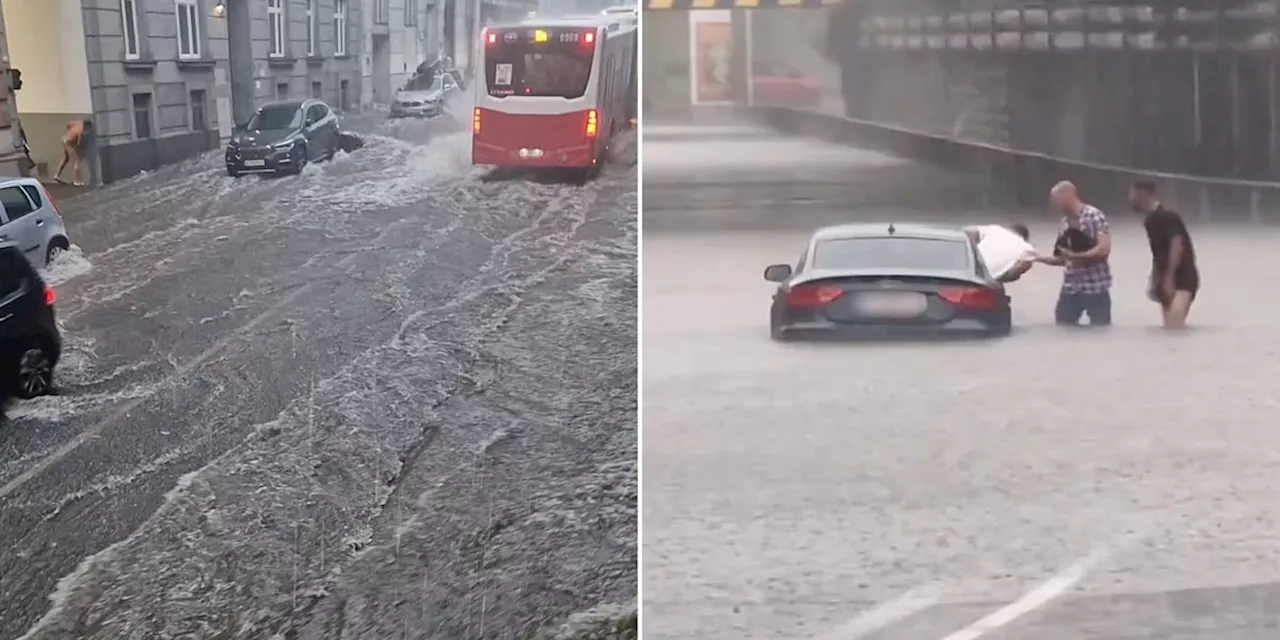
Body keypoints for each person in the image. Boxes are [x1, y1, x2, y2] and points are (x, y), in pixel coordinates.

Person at [1035, 181, 1113, 326]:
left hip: (1095, 287)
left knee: (1100, 330)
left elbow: (1103, 249)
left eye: (1055, 200)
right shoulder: (1064, 222)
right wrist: (1036, 258)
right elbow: (1061, 258)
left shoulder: (1094, 216)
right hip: (1071, 286)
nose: (1053, 205)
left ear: (1068, 196)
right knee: (1063, 327)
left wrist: (1076, 256)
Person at [1130, 179, 1198, 329]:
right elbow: (1158, 253)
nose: (1130, 198)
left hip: (1183, 279)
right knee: (1169, 329)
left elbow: (1177, 245)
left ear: (1143, 194)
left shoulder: (1166, 217)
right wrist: (1155, 278)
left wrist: (1169, 276)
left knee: (1175, 325)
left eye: (1132, 194)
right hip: (1165, 276)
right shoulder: (1150, 220)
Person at [964, 223, 1037, 283]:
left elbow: (969, 230)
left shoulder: (996, 229)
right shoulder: (1028, 247)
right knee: (1026, 261)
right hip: (995, 276)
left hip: (971, 266)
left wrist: (972, 247)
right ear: (1025, 238)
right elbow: (1028, 261)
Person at [54, 119, 90, 186]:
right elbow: (78, 144)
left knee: (66, 158)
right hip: (69, 143)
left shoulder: (78, 123)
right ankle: (77, 181)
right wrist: (78, 153)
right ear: (87, 126)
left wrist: (69, 133)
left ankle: (56, 175)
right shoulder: (81, 132)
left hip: (64, 139)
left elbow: (68, 124)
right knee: (77, 161)